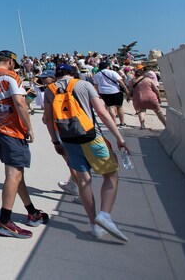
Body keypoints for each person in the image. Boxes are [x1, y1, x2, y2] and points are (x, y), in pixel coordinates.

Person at [44, 64, 131, 241]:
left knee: (84, 181)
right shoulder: (84, 85)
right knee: (111, 175)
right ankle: (104, 215)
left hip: (68, 139)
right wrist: (119, 138)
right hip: (91, 137)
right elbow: (102, 112)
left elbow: (47, 119)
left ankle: (94, 225)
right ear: (72, 73)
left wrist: (55, 141)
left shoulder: (49, 90)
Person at [0, 50, 49, 238]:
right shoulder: (10, 75)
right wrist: (29, 128)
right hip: (11, 128)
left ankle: (32, 212)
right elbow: (19, 103)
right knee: (13, 173)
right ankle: (4, 221)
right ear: (10, 62)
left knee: (17, 173)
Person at [94, 61, 128, 127]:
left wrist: (98, 93)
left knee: (110, 107)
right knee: (119, 107)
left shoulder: (97, 74)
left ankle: (114, 123)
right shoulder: (112, 72)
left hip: (104, 92)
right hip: (115, 91)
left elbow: (96, 85)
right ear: (108, 66)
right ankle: (122, 122)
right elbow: (120, 81)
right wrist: (126, 89)